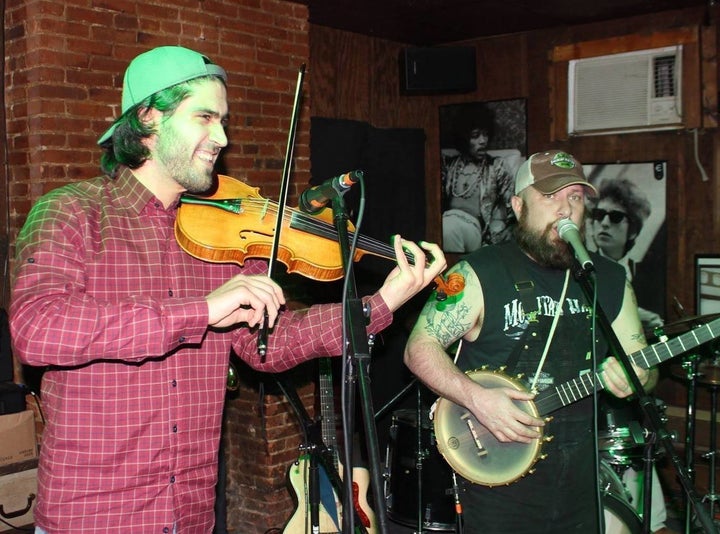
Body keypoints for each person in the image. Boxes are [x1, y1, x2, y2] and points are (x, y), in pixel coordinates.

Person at [9, 46, 446, 534]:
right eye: (204, 117)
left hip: (193, 512)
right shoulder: (72, 212)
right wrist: (200, 311)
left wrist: (383, 302)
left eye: (224, 121)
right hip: (94, 516)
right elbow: (36, 329)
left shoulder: (223, 236)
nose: (221, 137)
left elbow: (267, 345)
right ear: (149, 118)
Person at [404, 149, 658, 533]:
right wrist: (475, 397)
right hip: (497, 475)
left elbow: (644, 367)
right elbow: (419, 348)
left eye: (574, 197)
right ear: (518, 205)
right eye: (550, 196)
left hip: (580, 480)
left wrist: (636, 375)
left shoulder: (607, 279)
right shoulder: (480, 272)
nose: (564, 209)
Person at [588, 177, 664, 329]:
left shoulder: (649, 278)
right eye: (599, 214)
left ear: (633, 232)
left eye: (616, 217)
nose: (604, 223)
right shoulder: (583, 270)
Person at [441, 105, 516, 253]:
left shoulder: (496, 166)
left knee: (448, 228)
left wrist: (511, 229)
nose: (483, 141)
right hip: (446, 220)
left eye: (486, 134)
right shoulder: (448, 165)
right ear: (463, 138)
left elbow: (514, 205)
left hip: (474, 229)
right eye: (475, 136)